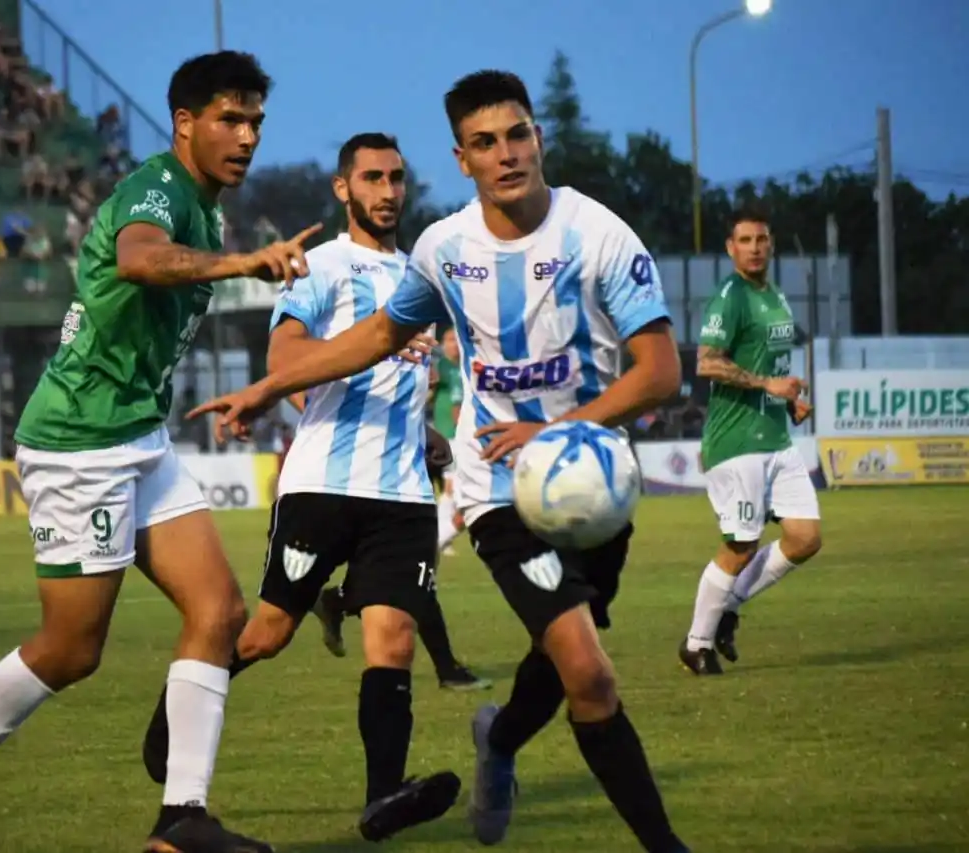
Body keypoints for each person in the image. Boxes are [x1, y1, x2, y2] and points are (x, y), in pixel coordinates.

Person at [187, 70, 691, 853]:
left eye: (517, 135)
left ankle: (499, 742)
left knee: (564, 665)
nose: (506, 154)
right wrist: (269, 386)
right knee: (589, 670)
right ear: (463, 160)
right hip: (499, 488)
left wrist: (559, 434)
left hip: (595, 487)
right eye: (485, 143)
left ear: (539, 140)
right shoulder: (445, 248)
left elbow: (659, 371)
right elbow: (379, 335)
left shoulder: (600, 236)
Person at [0, 51, 324, 853]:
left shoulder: (206, 204)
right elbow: (139, 257)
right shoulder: (157, 190)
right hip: (81, 442)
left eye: (255, 120)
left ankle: (182, 819)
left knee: (218, 611)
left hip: (138, 436)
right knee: (73, 649)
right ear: (185, 123)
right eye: (229, 118)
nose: (247, 135)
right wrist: (244, 261)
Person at [141, 132, 461, 842]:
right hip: (323, 483)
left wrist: (426, 433)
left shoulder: (424, 279)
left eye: (397, 178)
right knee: (267, 631)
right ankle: (176, 712)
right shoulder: (320, 268)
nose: (387, 191)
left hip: (405, 489)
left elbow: (411, 381)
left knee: (394, 635)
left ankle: (384, 795)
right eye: (372, 178)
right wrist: (299, 382)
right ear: (344, 189)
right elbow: (284, 357)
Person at [679, 209, 822, 676]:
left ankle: (729, 607)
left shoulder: (774, 294)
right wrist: (767, 385)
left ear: (771, 243)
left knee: (804, 538)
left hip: (776, 438)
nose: (755, 247)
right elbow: (706, 362)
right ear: (730, 248)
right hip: (737, 443)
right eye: (745, 240)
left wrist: (788, 402)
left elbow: (772, 369)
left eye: (761, 238)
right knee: (739, 547)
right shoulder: (731, 297)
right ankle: (696, 645)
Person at [309, 422, 492, 692]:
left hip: (401, 460)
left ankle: (337, 601)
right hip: (381, 470)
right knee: (416, 573)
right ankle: (447, 669)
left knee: (413, 573)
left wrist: (422, 429)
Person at [430, 325, 466, 554]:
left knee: (452, 486)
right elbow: (430, 386)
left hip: (462, 436)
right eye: (449, 340)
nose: (453, 344)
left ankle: (442, 536)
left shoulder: (463, 368)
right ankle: (440, 537)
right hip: (449, 436)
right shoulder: (442, 367)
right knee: (452, 486)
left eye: (456, 339)